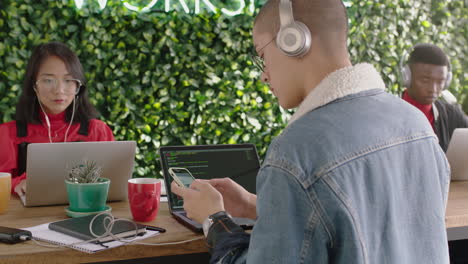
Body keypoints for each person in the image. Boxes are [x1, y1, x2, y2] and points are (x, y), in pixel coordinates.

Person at [171, 0, 450, 263]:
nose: (264, 74)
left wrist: (214, 219)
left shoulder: (296, 153)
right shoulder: (415, 124)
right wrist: (257, 206)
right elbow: (374, 223)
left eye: (262, 55)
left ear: (293, 41)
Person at [0, 42, 114, 196]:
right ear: (34, 85)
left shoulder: (97, 131)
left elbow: (113, 183)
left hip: (86, 214)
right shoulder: (8, 134)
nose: (59, 90)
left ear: (78, 86)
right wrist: (20, 183)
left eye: (68, 80)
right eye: (48, 80)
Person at [401, 43, 468, 152]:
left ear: (447, 81)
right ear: (407, 77)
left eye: (440, 81)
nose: (433, 89)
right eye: (425, 80)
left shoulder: (452, 115)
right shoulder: (390, 114)